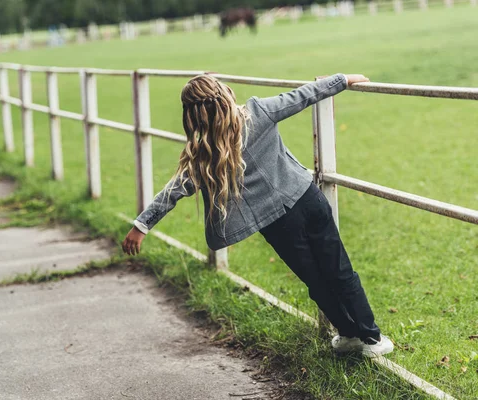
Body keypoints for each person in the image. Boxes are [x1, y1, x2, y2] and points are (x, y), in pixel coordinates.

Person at [122, 73, 394, 357]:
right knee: (340, 270)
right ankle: (372, 339)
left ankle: (349, 334)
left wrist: (142, 225)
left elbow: (173, 191)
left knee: (315, 279)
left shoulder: (204, 154)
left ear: (191, 115)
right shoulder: (258, 112)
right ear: (224, 93)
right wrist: (342, 79)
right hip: (308, 200)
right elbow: (304, 95)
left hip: (277, 225)